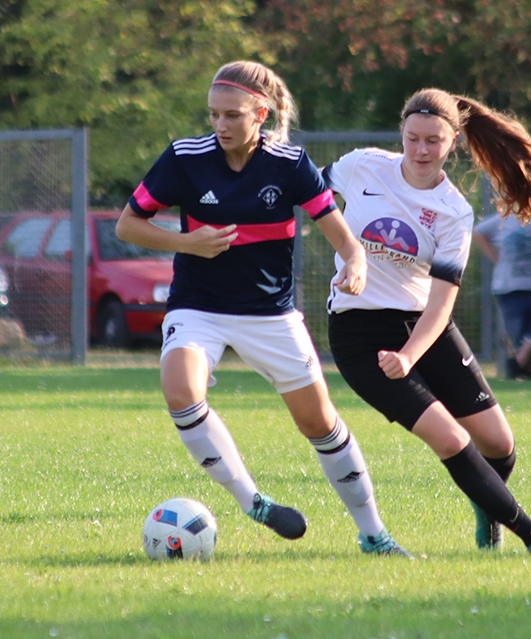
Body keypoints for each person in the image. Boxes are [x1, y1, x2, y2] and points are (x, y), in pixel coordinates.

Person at [115, 60, 409, 557]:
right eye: (213, 114)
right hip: (198, 306)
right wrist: (188, 242)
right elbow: (128, 225)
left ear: (261, 114)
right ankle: (252, 502)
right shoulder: (185, 158)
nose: (220, 125)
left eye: (232, 115)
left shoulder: (290, 164)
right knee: (180, 391)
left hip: (270, 314)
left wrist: (356, 263)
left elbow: (345, 239)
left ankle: (374, 533)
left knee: (319, 424)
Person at [321, 88, 531, 555]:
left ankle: (486, 505)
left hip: (422, 328)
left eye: (433, 140)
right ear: (401, 133)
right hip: (359, 333)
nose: (421, 150)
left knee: (499, 443)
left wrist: (410, 355)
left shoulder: (453, 211)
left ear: (453, 142)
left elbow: (440, 304)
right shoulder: (362, 165)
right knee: (451, 438)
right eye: (413, 138)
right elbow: (306, 191)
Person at [473, 203, 531, 380]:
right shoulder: (502, 220)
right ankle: (524, 373)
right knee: (518, 336)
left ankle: (515, 367)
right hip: (509, 288)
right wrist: (495, 258)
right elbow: (478, 232)